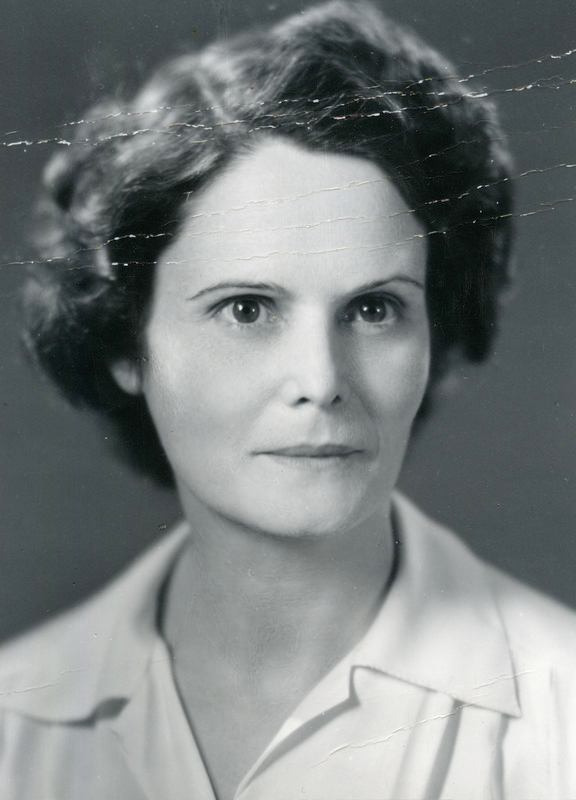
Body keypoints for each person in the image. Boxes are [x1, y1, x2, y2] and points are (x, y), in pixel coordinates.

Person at [1, 2, 575, 798]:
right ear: (128, 343)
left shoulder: (562, 719)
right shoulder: (13, 725)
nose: (322, 378)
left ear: (435, 332)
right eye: (247, 309)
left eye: (375, 309)